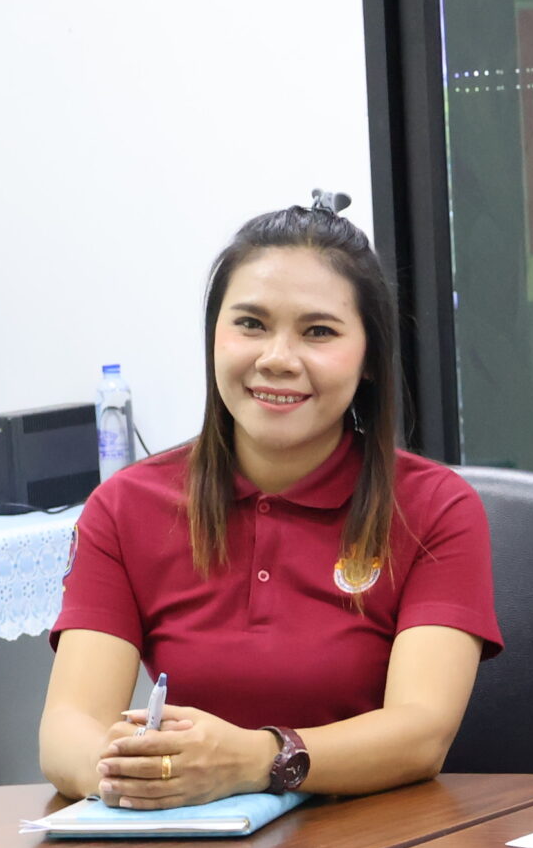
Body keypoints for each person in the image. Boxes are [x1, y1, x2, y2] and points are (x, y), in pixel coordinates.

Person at [38, 194, 500, 808]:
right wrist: (136, 774)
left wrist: (254, 760)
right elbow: (67, 728)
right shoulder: (124, 507)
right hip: (187, 838)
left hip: (375, 839)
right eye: (251, 324)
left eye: (319, 332)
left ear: (369, 358)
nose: (277, 359)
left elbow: (421, 734)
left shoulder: (435, 508)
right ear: (214, 338)